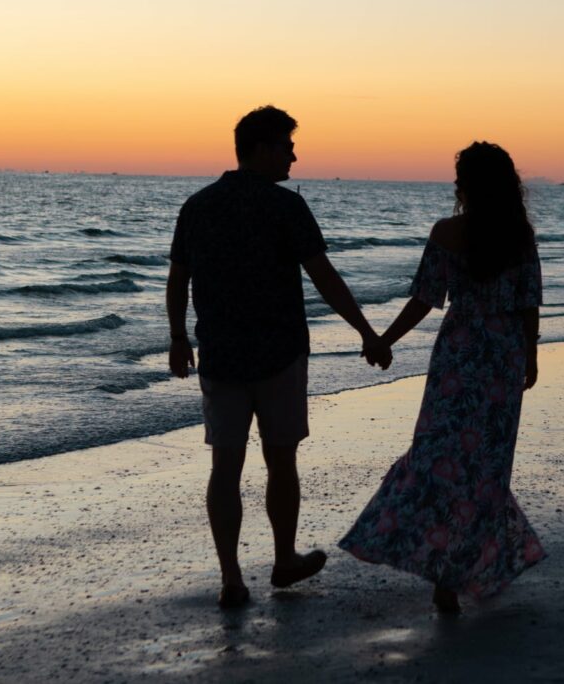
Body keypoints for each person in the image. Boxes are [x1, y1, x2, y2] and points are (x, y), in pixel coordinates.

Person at [166, 105, 389, 609]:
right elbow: (324, 277)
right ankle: (284, 559)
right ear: (262, 149)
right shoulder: (286, 207)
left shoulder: (198, 206)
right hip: (280, 353)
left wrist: (179, 337)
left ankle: (232, 579)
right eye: (287, 146)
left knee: (226, 464)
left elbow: (178, 279)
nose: (294, 155)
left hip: (220, 353)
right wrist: (368, 333)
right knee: (280, 459)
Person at [340, 141, 546, 613]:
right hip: (503, 358)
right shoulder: (520, 235)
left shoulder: (447, 233)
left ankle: (443, 574)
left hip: (458, 356)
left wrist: (385, 339)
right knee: (486, 471)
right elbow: (527, 301)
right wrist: (529, 357)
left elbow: (425, 299)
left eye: (460, 179)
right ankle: (459, 572)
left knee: (436, 458)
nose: (455, 185)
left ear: (468, 186)